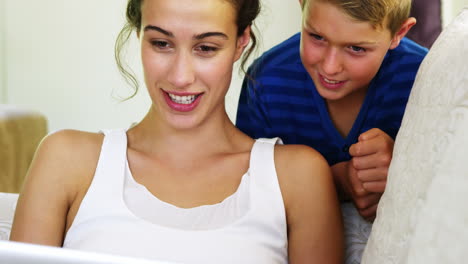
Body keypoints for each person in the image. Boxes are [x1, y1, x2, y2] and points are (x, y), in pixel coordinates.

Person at [9, 0, 343, 263]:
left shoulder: (297, 176)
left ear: (242, 42)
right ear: (139, 35)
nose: (181, 76)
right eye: (161, 43)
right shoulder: (66, 160)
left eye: (206, 48)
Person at [236, 0, 428, 221]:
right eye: (317, 37)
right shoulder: (265, 81)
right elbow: (247, 187)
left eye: (356, 48)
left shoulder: (423, 78)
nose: (330, 67)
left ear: (398, 33)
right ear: (301, 5)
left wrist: (405, 163)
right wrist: (339, 180)